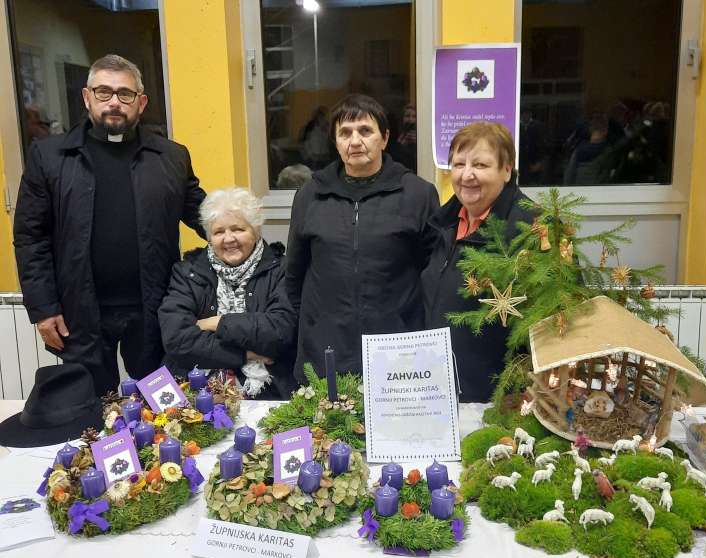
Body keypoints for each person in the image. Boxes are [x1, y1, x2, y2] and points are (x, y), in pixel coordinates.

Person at [13, 54, 206, 396]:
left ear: (141, 102)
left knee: (164, 407)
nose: (114, 102)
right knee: (91, 412)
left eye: (125, 94)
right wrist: (43, 308)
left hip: (154, 310)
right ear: (87, 97)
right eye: (104, 92)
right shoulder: (49, 156)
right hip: (79, 313)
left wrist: (246, 235)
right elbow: (31, 238)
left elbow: (206, 215)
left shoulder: (171, 157)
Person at [286, 93, 439, 381]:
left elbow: (431, 275)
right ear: (336, 142)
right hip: (325, 350)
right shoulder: (310, 195)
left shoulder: (418, 194)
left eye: (365, 131)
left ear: (385, 138)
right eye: (345, 133)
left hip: (398, 350)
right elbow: (294, 273)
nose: (355, 141)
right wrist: (312, 325)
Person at [422, 122, 535, 402]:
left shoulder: (530, 230)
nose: (467, 175)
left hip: (498, 401)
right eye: (459, 164)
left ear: (507, 170)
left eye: (481, 165)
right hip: (442, 392)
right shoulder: (443, 225)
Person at [159, 187, 296, 399]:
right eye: (219, 232)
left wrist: (216, 323)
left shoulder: (282, 270)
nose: (228, 238)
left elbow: (280, 332)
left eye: (238, 229)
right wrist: (245, 354)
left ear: (256, 230)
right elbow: (177, 340)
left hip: (270, 387)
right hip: (194, 387)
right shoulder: (187, 272)